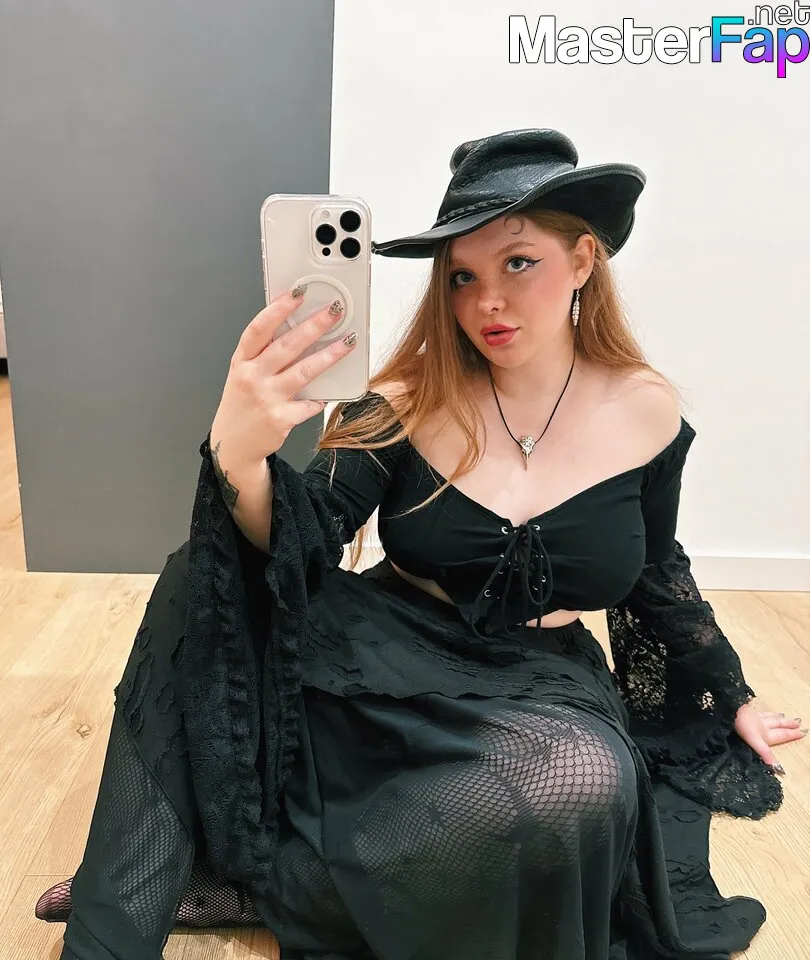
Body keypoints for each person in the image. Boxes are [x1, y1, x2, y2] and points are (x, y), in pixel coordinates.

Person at [35, 128, 803, 960]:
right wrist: (239, 452)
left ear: (583, 259)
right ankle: (134, 894)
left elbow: (656, 567)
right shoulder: (404, 398)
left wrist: (728, 693)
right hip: (380, 659)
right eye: (462, 276)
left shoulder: (646, 411)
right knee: (198, 576)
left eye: (518, 263)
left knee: (584, 784)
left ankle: (267, 882)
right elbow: (304, 538)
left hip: (539, 684)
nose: (487, 302)